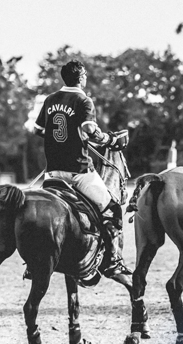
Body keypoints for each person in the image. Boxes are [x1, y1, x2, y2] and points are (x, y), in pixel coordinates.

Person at [33, 60, 130, 277]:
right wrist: (107, 140)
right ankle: (114, 260)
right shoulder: (83, 100)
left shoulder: (50, 100)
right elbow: (88, 128)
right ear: (81, 76)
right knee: (113, 209)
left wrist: (58, 139)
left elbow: (37, 130)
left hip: (53, 173)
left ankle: (34, 263)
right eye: (85, 75)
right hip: (78, 172)